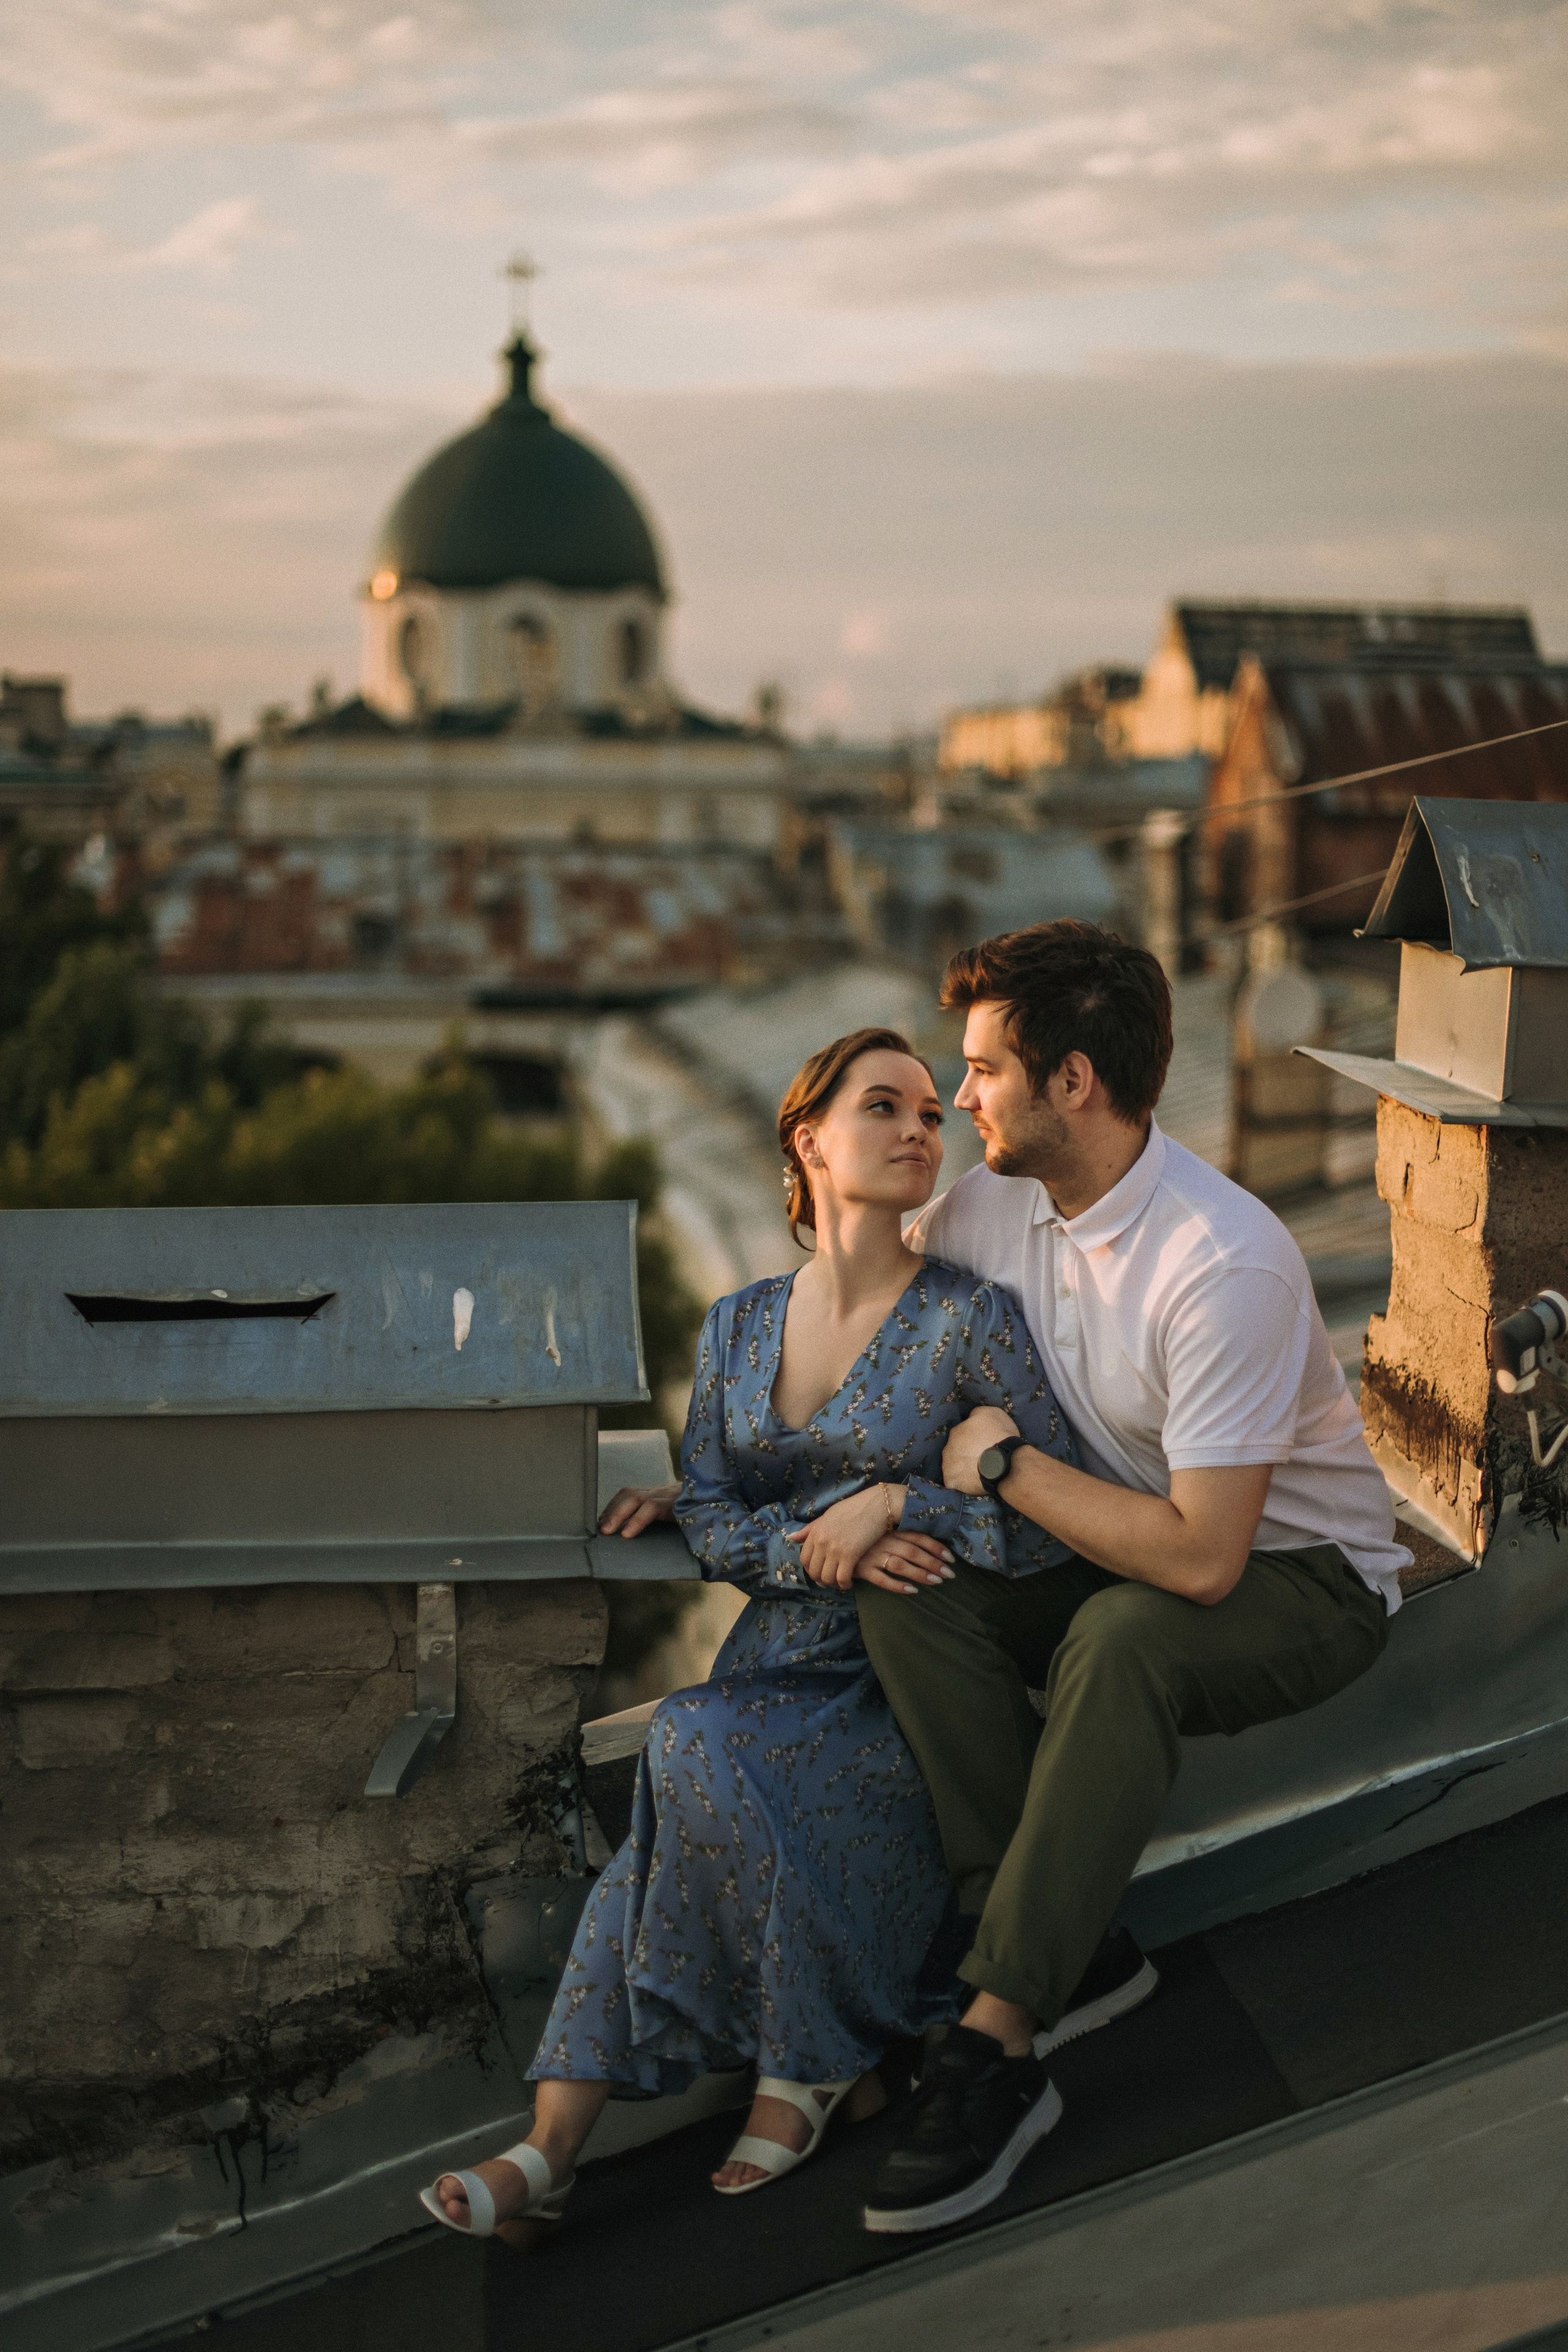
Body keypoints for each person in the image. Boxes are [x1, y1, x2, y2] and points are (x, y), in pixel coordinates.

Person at [420, 1025, 1084, 2242]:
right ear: (808, 1139)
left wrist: (904, 1510)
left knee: (687, 1749)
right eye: (884, 1106)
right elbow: (715, 1513)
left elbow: (1052, 1519)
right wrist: (814, 1543)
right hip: (769, 1667)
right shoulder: (735, 1326)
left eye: (930, 1113)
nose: (919, 1129)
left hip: (900, 1682)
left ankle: (786, 2072)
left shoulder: (970, 1321)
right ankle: (562, 2145)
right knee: (692, 1771)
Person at [853, 921, 1410, 2236]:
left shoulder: (1219, 1264)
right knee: (910, 1582)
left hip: (1300, 1578)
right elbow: (862, 1315)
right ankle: (1052, 1939)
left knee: (1123, 1639)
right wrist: (733, 1473)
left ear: (1073, 1082)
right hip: (1117, 1538)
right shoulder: (995, 1199)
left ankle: (995, 2046)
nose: (960, 1095)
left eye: (985, 1069)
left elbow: (1205, 1561)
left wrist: (1003, 1469)